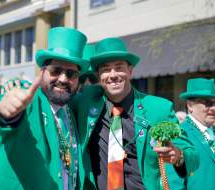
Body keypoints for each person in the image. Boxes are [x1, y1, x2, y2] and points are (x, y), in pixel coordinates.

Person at [73, 37, 199, 190]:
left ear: (130, 70)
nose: (113, 75)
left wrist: (178, 156)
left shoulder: (159, 108)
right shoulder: (85, 103)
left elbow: (193, 156)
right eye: (106, 69)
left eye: (119, 67)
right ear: (99, 76)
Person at [0, 27, 89, 190]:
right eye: (56, 70)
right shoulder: (30, 101)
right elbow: (4, 111)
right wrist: (7, 110)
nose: (63, 79)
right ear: (42, 72)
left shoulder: (72, 112)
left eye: (71, 74)